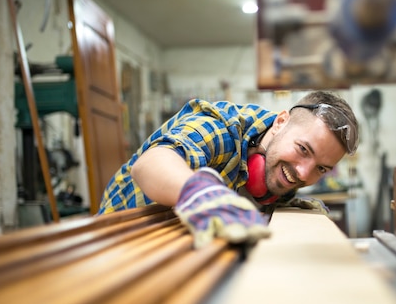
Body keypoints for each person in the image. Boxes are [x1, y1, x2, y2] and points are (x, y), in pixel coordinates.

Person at [98, 90, 359, 247]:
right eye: (303, 149)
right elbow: (150, 163)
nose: (304, 174)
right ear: (280, 122)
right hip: (117, 241)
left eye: (321, 169)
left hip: (173, 248)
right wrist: (199, 194)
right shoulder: (221, 128)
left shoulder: (278, 161)